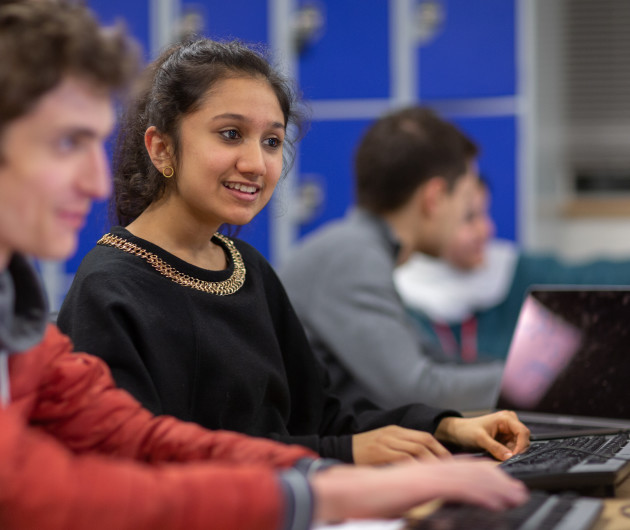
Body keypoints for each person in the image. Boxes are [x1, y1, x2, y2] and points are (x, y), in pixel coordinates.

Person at [0, 2, 531, 528]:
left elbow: (160, 438)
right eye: (230, 134)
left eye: (273, 141)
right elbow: (117, 482)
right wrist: (338, 469)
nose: (256, 162)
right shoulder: (109, 288)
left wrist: (430, 433)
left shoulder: (240, 267)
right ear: (162, 150)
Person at [279, 107, 504, 413]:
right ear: (434, 198)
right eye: (465, 204)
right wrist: (531, 385)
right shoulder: (352, 257)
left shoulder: (363, 249)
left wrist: (520, 372)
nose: (470, 220)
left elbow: (431, 359)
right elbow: (415, 390)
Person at [395, 176, 630, 362]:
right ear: (432, 216)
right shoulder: (397, 296)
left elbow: (588, 277)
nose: (486, 229)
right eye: (469, 218)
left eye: (485, 214)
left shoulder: (510, 270)